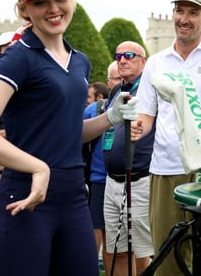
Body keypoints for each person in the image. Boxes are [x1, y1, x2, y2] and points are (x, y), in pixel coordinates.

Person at [0, 0, 139, 276]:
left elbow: (66, 133)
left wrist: (110, 117)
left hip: (72, 200)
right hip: (25, 199)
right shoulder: (19, 57)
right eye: (40, 2)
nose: (53, 9)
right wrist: (36, 167)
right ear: (23, 10)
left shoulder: (79, 61)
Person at [130, 0, 201, 276]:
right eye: (180, 11)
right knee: (167, 251)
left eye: (193, 12)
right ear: (173, 14)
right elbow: (147, 114)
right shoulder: (156, 63)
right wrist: (138, 127)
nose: (184, 19)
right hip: (165, 167)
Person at [103, 43, 154, 276]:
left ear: (143, 61)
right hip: (112, 181)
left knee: (144, 250)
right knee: (118, 250)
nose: (122, 60)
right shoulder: (116, 90)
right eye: (119, 56)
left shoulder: (150, 88)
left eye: (129, 55)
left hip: (139, 179)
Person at [83, 68, 116, 270]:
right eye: (115, 79)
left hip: (128, 178)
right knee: (96, 230)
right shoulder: (94, 109)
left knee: (118, 239)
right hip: (99, 178)